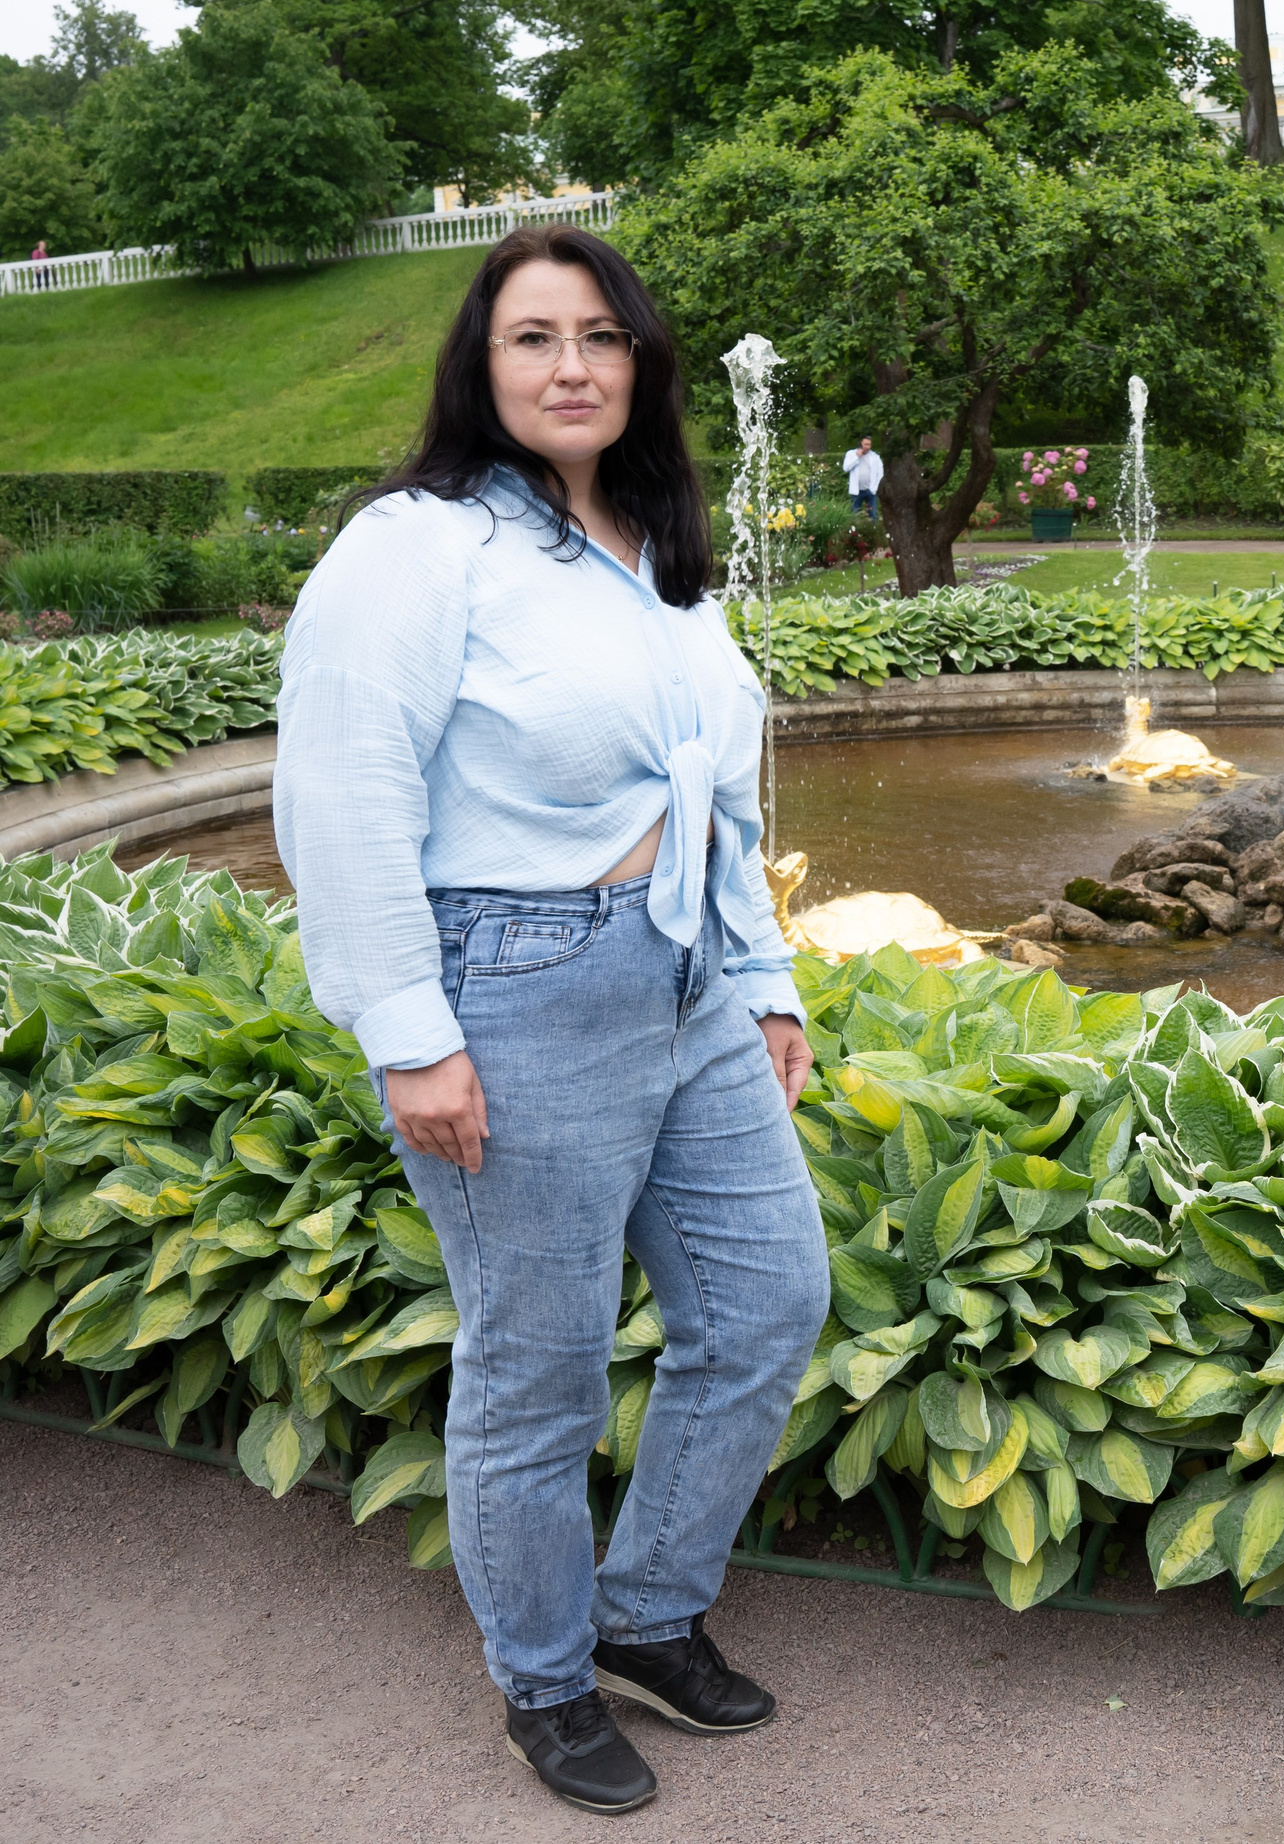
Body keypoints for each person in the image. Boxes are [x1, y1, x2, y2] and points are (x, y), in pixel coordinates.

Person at [273, 222, 828, 1817]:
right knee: (541, 1368)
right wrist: (406, 1029)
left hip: (685, 982)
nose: (571, 364)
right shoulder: (418, 543)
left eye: (600, 335)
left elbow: (716, 787)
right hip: (510, 988)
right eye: (534, 337)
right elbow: (346, 791)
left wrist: (764, 975)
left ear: (642, 363)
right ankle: (545, 1679)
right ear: (482, 361)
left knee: (768, 1302)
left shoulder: (656, 546)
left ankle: (646, 1614)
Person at [843, 436, 882, 517]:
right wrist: (857, 457)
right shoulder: (851, 454)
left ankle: (873, 529)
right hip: (856, 491)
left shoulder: (875, 456)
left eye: (869, 445)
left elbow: (880, 473)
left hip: (870, 490)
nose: (867, 447)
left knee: (873, 514)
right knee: (855, 515)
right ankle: (856, 529)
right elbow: (846, 468)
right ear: (861, 443)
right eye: (865, 444)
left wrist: (875, 488)